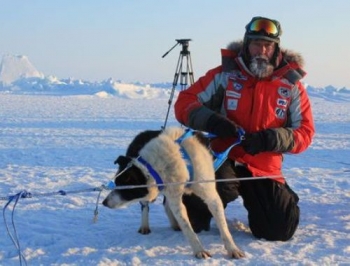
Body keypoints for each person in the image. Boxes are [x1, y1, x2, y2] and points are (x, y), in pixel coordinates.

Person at [174, 16, 315, 241]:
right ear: (247, 45)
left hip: (263, 164)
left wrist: (272, 138)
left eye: (268, 45)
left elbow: (305, 133)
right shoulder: (224, 75)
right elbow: (184, 102)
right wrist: (212, 121)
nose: (262, 50)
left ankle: (282, 199)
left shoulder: (291, 86)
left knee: (278, 230)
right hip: (222, 157)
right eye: (256, 43)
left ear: (276, 48)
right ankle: (187, 199)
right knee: (189, 221)